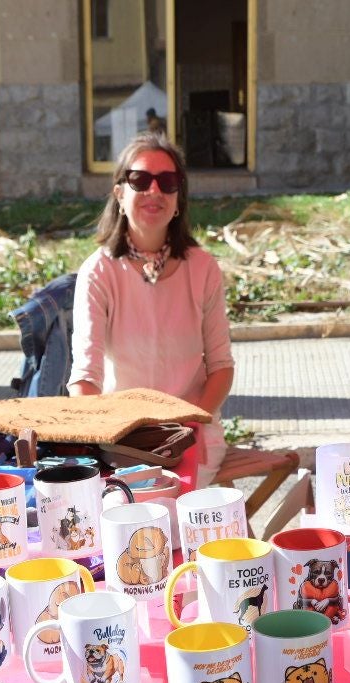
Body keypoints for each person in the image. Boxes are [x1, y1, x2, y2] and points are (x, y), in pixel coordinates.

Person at [70, 133, 234, 484]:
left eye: (168, 182)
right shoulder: (98, 271)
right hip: (123, 441)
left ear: (178, 201)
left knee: (179, 514)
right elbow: (85, 377)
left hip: (192, 434)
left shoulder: (203, 268)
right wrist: (102, 438)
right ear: (119, 194)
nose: (154, 191)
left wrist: (192, 425)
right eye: (140, 180)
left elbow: (221, 366)